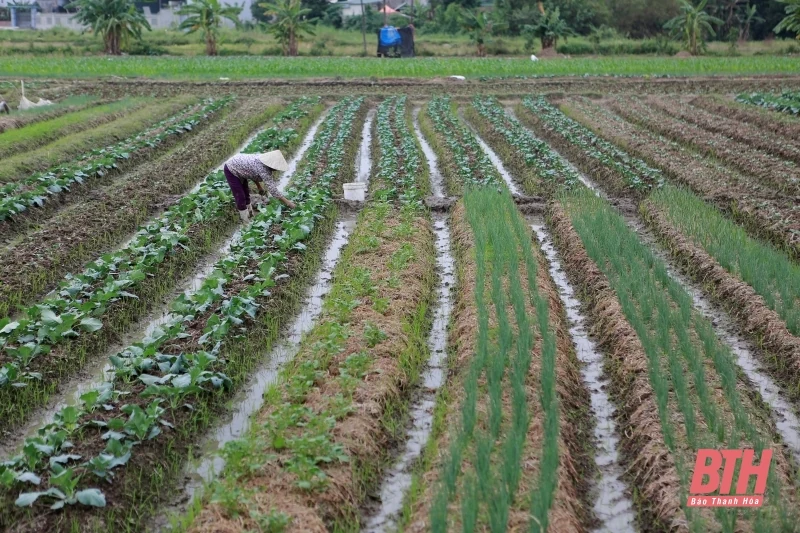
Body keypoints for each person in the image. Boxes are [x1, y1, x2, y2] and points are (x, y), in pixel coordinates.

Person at [223, 150, 296, 222]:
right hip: (231, 169)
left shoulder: (262, 162)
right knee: (240, 196)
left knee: (246, 194)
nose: (276, 169)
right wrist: (288, 203)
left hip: (241, 168)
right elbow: (273, 190)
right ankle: (246, 222)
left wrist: (259, 186)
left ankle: (250, 216)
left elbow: (252, 173)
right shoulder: (263, 169)